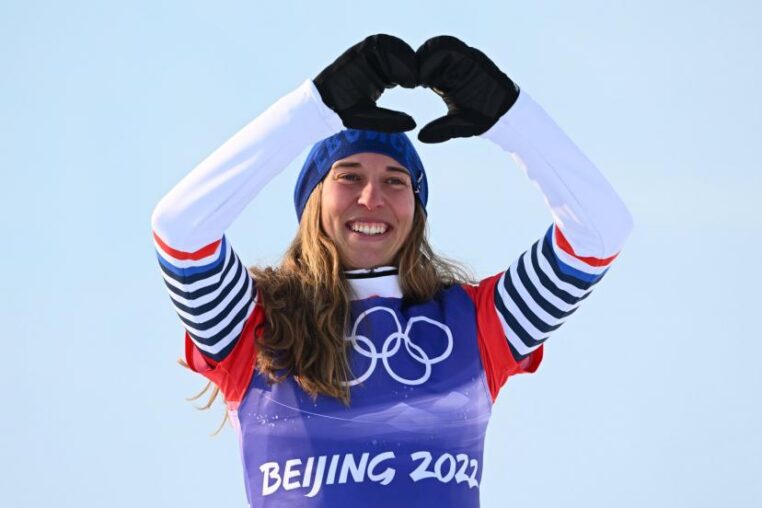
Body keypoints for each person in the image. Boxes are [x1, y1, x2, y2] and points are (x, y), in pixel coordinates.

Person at [151, 34, 633, 508]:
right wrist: (316, 109)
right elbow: (180, 231)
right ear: (313, 202)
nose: (372, 198)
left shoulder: (478, 324)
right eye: (349, 176)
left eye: (395, 181)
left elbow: (600, 232)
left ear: (416, 212)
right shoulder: (252, 326)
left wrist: (506, 114)